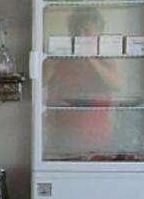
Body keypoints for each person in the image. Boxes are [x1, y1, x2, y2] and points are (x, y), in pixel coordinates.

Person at [46, 9, 126, 158]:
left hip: (97, 136)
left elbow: (118, 85)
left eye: (87, 32)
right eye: (77, 32)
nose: (82, 36)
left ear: (98, 35)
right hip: (62, 135)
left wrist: (91, 60)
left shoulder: (104, 59)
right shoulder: (61, 59)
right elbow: (41, 82)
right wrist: (52, 59)